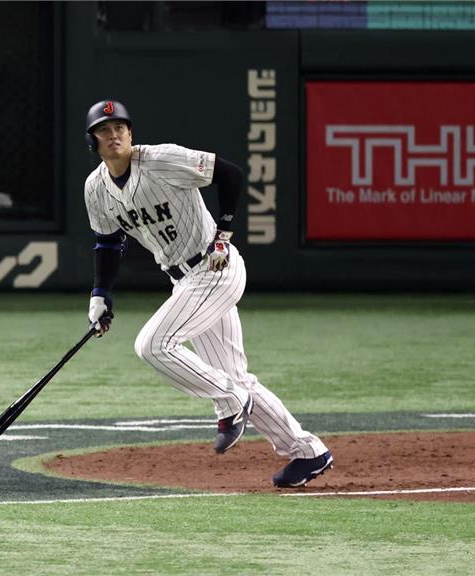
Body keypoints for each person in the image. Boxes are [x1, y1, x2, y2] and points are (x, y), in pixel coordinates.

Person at [81, 99, 333, 488]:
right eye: (104, 129)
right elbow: (109, 243)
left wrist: (224, 234)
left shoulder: (162, 160)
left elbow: (229, 174)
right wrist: (101, 294)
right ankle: (307, 451)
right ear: (92, 140)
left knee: (153, 344)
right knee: (236, 378)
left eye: (120, 128)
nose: (114, 134)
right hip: (183, 279)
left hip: (215, 268)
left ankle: (229, 401)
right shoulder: (96, 189)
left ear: (131, 133)